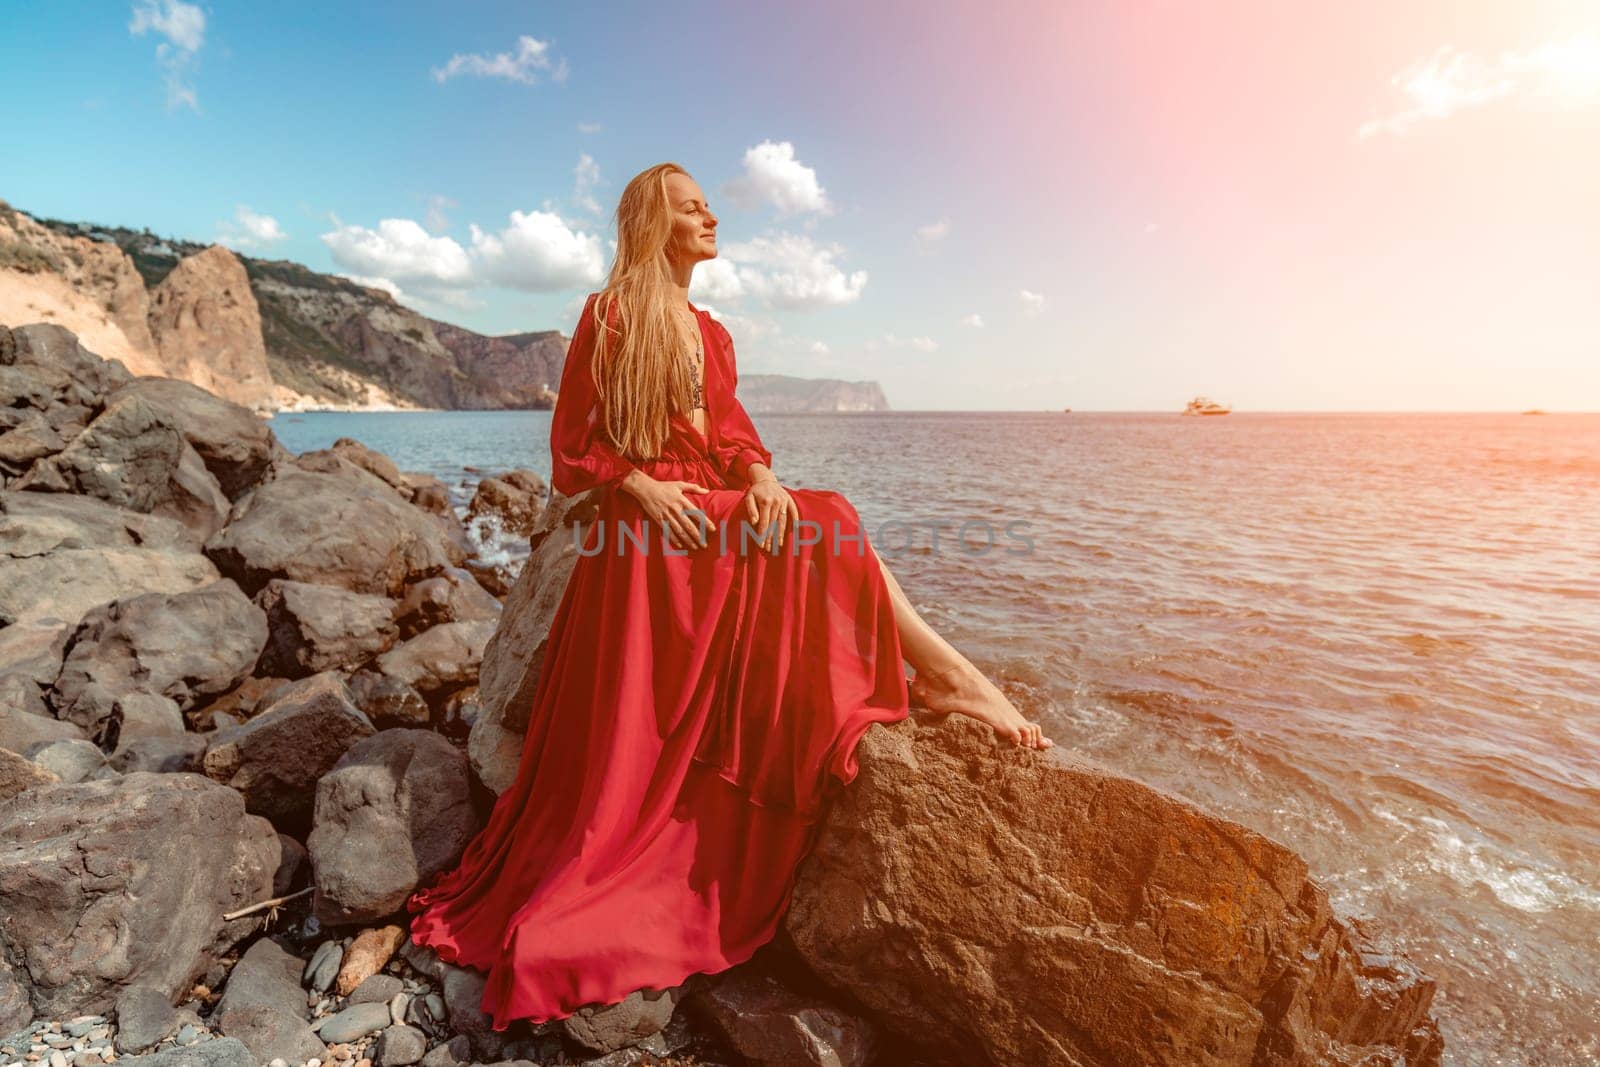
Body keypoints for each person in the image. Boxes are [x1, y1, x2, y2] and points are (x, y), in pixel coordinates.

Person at [405, 162, 1052, 1031]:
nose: (712, 214)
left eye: (710, 203)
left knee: (821, 522)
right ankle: (947, 679)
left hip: (711, 509)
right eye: (691, 205)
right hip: (650, 529)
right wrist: (636, 485)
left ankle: (942, 675)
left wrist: (761, 475)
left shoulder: (710, 330)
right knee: (838, 528)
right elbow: (573, 449)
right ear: (652, 223)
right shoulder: (609, 316)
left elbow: (733, 429)